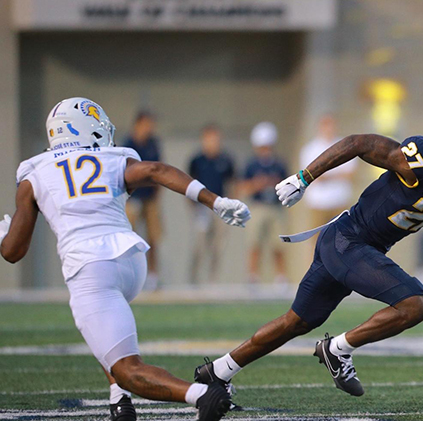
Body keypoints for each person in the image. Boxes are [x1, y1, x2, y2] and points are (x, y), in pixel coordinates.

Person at [194, 95, 423, 398]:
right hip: (349, 240)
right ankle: (337, 349)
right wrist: (304, 177)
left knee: (295, 323)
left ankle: (218, 372)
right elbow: (360, 143)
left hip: (356, 246)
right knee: (414, 303)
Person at [0, 98, 250, 421]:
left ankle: (200, 395)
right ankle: (119, 396)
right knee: (104, 331)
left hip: (91, 269)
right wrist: (215, 201)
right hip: (132, 261)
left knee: (127, 367)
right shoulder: (110, 158)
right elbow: (157, 170)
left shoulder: (34, 172)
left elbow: (13, 252)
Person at [241, 122, 289, 284]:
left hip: (276, 207)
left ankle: (280, 277)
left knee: (278, 244)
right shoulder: (251, 164)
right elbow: (243, 187)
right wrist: (257, 184)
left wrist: (274, 183)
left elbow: (288, 185)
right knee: (255, 243)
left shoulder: (279, 164)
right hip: (258, 207)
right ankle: (253, 276)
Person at [188, 125, 236, 284]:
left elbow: (232, 184)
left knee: (218, 247)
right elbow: (188, 184)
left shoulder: (225, 160)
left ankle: (212, 281)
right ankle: (194, 280)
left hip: (221, 208)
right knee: (199, 245)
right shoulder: (197, 161)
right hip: (202, 207)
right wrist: (193, 206)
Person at [122, 111, 162, 290]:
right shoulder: (127, 145)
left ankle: (153, 275)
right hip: (133, 198)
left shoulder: (153, 144)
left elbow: (160, 170)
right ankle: (131, 275)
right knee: (130, 238)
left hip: (150, 198)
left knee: (153, 237)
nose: (149, 129)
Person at [299, 115, 358, 228]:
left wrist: (326, 175)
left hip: (340, 200)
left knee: (342, 237)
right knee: (317, 238)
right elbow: (312, 177)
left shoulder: (346, 146)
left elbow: (350, 174)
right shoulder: (310, 149)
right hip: (319, 202)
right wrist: (337, 174)